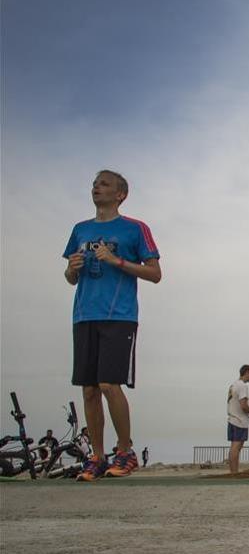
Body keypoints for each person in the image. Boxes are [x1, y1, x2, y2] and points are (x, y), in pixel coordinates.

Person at [64, 169, 162, 482]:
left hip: (119, 315)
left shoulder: (135, 229)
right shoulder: (80, 229)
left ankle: (125, 450)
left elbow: (155, 273)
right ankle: (96, 455)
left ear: (120, 194)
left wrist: (116, 261)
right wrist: (71, 269)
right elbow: (70, 278)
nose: (96, 187)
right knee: (89, 389)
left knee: (109, 384)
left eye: (104, 184)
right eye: (94, 183)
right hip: (84, 315)